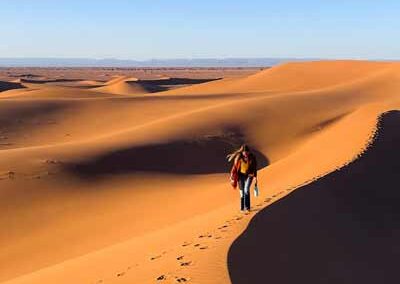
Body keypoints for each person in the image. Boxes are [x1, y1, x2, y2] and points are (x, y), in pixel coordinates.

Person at [227, 144, 258, 212]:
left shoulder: (252, 158)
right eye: (244, 152)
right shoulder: (239, 158)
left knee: (246, 189)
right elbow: (235, 167)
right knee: (242, 192)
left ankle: (247, 207)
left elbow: (255, 168)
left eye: (247, 152)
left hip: (249, 175)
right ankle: (242, 208)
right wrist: (232, 174)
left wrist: (255, 176)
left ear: (249, 152)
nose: (246, 153)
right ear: (242, 152)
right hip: (240, 176)